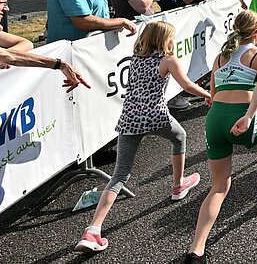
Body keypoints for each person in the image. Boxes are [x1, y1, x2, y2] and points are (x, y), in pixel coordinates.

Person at [75, 22, 211, 253]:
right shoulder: (168, 60)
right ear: (165, 40)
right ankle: (178, 185)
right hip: (156, 116)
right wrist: (209, 94)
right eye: (172, 37)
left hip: (130, 118)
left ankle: (93, 230)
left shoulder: (136, 59)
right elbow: (187, 85)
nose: (174, 41)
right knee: (179, 138)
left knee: (120, 175)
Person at [0, 0, 89, 259]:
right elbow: (9, 56)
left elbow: (21, 46)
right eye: (2, 2)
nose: (7, 8)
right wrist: (58, 64)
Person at [185, 11, 257, 263]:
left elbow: (212, 89)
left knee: (219, 186)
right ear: (256, 32)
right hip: (240, 114)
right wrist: (250, 115)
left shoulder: (221, 57)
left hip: (215, 118)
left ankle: (196, 251)